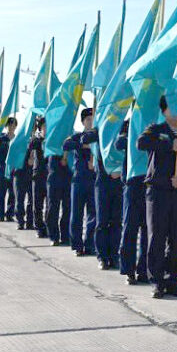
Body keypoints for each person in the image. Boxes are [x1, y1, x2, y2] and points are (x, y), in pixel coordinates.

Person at [137, 95, 177, 299]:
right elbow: (141, 143)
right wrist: (170, 145)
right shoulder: (155, 129)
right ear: (164, 111)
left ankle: (173, 281)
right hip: (158, 191)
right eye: (173, 109)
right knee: (157, 237)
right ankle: (157, 281)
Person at [81, 125, 123, 270]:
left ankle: (114, 256)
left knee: (117, 221)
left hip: (119, 180)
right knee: (102, 221)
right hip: (103, 181)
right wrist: (96, 131)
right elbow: (84, 138)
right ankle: (103, 257)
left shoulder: (123, 126)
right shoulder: (100, 127)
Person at [116, 120, 149, 285]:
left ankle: (144, 270)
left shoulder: (155, 124)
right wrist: (132, 134)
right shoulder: (129, 124)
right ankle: (129, 270)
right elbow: (118, 143)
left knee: (148, 231)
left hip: (151, 183)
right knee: (130, 228)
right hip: (132, 183)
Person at [63, 108, 97, 257]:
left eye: (92, 119)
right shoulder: (77, 136)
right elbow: (66, 145)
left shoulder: (97, 137)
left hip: (94, 180)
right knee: (76, 214)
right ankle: (77, 245)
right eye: (88, 119)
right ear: (83, 122)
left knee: (93, 214)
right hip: (78, 179)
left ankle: (89, 245)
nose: (90, 122)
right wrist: (84, 145)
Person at [45, 138, 72, 247]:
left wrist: (65, 154)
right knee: (53, 208)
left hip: (67, 176)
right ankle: (53, 236)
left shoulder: (71, 135)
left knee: (67, 208)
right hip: (54, 176)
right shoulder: (51, 137)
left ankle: (65, 236)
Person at [0, 117, 17, 222]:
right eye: (10, 125)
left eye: (13, 125)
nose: (11, 127)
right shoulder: (1, 139)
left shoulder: (17, 139)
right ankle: (0, 214)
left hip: (13, 169)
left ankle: (10, 214)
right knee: (1, 192)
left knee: (13, 193)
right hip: (2, 168)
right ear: (7, 126)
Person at [12, 123, 35, 232]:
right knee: (19, 200)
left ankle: (30, 222)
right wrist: (27, 160)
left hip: (32, 175)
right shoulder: (17, 142)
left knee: (32, 200)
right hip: (19, 174)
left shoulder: (34, 142)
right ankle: (20, 221)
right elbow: (14, 157)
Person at [29, 117, 48, 240]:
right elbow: (31, 145)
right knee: (37, 204)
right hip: (38, 176)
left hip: (50, 176)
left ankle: (48, 226)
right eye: (44, 126)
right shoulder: (36, 140)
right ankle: (39, 228)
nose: (46, 128)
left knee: (50, 205)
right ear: (40, 128)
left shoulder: (52, 140)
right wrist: (37, 134)